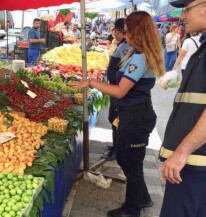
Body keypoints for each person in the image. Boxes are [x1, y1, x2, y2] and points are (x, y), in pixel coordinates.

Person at [70, 11, 164, 217]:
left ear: (139, 32)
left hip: (135, 117)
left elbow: (121, 90)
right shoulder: (139, 53)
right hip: (134, 114)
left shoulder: (139, 58)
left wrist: (91, 83)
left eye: (129, 32)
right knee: (128, 161)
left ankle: (132, 210)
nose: (125, 36)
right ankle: (142, 199)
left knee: (132, 165)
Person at [159, 0, 206, 216]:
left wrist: (181, 153)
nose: (183, 15)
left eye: (187, 9)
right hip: (203, 158)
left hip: (198, 159)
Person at [101, 18, 130, 161]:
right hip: (115, 87)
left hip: (118, 89)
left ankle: (118, 150)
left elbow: (125, 70)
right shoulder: (122, 45)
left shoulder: (126, 46)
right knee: (114, 118)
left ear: (118, 31)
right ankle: (117, 147)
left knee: (115, 119)